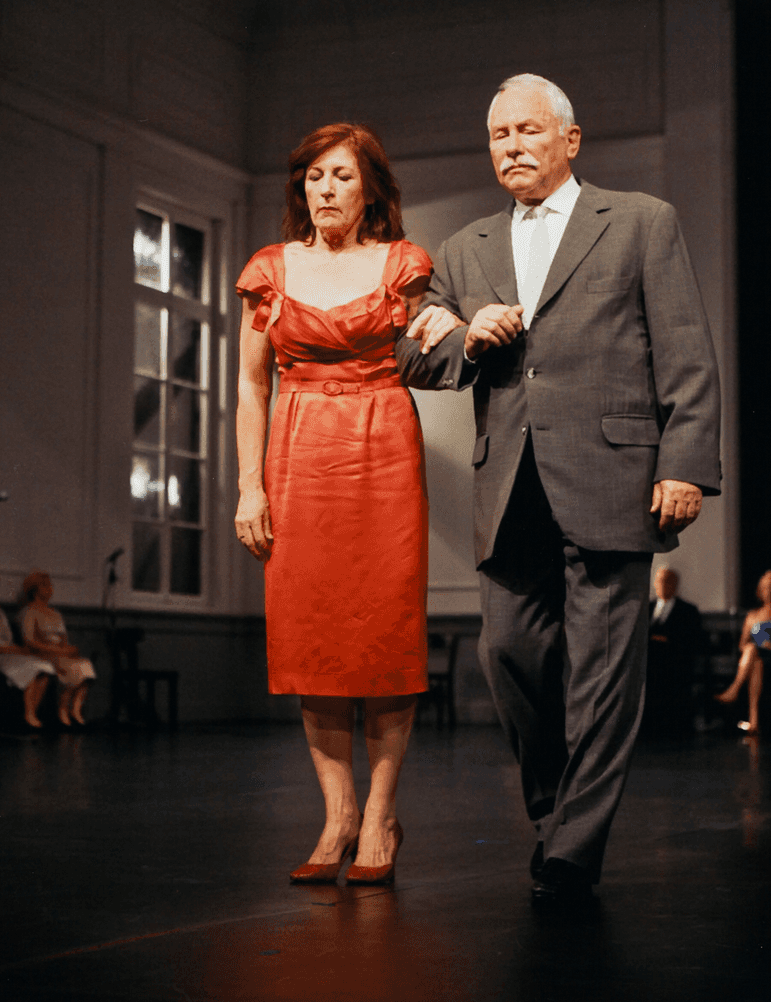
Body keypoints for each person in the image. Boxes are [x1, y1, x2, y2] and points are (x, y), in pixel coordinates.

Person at [395, 73, 722, 909]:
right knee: (506, 654)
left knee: (605, 676)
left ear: (570, 141)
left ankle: (574, 849)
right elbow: (414, 356)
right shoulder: (467, 248)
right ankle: (555, 811)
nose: (510, 146)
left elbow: (685, 350)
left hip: (616, 475)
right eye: (498, 134)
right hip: (510, 485)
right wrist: (471, 337)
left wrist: (683, 463)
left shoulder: (642, 221)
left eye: (527, 131)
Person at [234, 122, 456, 886]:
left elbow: (433, 354)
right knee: (314, 641)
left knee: (384, 639)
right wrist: (249, 484)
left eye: (341, 177)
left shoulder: (403, 264)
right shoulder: (270, 268)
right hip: (299, 454)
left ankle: (381, 816)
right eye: (314, 177)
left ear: (371, 192)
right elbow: (250, 384)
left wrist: (461, 326)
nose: (325, 190)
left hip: (383, 450)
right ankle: (336, 817)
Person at [0, 565, 54, 730]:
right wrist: (12, 650)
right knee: (32, 666)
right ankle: (28, 715)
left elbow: (8, 638)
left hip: (8, 652)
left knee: (45, 667)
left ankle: (29, 713)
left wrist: (17, 649)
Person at [714, 570, 771, 736]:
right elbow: (743, 644)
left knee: (754, 656)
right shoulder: (753, 615)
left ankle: (734, 690)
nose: (769, 591)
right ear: (760, 590)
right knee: (754, 656)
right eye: (765, 587)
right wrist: (759, 646)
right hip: (757, 659)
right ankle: (754, 722)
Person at [18, 571, 96, 728]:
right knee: (66, 666)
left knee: (84, 665)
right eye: (45, 585)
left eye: (50, 585)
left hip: (59, 653)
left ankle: (73, 708)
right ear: (34, 589)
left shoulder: (55, 614)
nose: (49, 589)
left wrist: (68, 649)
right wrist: (57, 652)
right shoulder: (29, 612)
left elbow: (63, 640)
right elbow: (29, 641)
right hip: (41, 655)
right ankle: (61, 709)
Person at [644, 567, 703, 739]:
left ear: (676, 585)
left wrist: (664, 641)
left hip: (675, 663)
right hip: (649, 663)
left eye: (668, 581)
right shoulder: (647, 608)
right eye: (660, 580)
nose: (663, 584)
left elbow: (691, 640)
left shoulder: (688, 611)